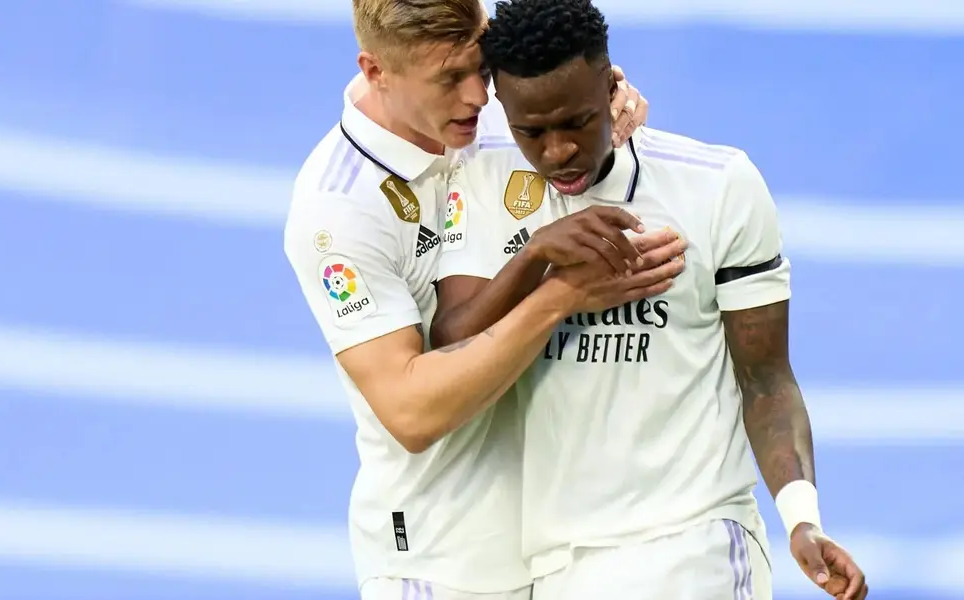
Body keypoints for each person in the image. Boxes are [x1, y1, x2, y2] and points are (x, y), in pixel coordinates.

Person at [429, 1, 869, 599]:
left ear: (613, 86)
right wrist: (535, 258)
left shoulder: (716, 184)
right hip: (558, 563)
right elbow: (450, 354)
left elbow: (766, 379)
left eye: (577, 122)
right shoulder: (482, 186)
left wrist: (801, 518)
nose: (557, 151)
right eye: (531, 131)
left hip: (696, 545)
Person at [282, 1, 684, 599]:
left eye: (482, 63)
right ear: (376, 70)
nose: (477, 96)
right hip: (444, 558)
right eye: (449, 79)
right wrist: (559, 297)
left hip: (573, 547)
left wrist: (600, 98)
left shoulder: (498, 115)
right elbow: (411, 411)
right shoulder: (338, 210)